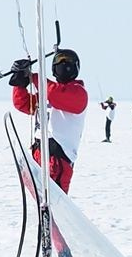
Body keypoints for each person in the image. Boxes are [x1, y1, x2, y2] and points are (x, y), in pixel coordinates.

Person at [9, 47, 91, 191]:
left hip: (58, 159)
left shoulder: (78, 92)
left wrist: (34, 77)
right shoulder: (47, 93)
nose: (64, 64)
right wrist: (20, 83)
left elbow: (56, 94)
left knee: (53, 203)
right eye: (60, 61)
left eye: (68, 61)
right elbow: (23, 104)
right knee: (40, 202)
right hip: (38, 153)